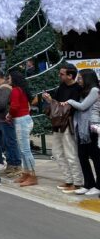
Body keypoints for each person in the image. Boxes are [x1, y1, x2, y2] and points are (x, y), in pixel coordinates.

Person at [42, 64, 84, 192]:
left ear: (70, 76)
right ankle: (68, 180)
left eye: (62, 74)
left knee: (71, 153)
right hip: (57, 124)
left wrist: (51, 101)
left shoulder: (77, 89)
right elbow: (58, 106)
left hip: (68, 123)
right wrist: (51, 101)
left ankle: (77, 182)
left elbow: (68, 108)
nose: (59, 76)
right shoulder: (61, 87)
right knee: (57, 153)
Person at [61, 69, 100, 196]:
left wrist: (70, 102)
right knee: (82, 156)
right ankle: (88, 184)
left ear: (87, 78)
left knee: (96, 158)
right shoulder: (84, 91)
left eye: (81, 78)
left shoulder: (95, 90)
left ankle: (98, 186)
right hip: (82, 128)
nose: (79, 80)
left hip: (92, 127)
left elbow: (83, 106)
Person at [6, 71, 37, 187]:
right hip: (25, 119)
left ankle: (32, 176)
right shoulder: (22, 89)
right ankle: (26, 173)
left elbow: (14, 107)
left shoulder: (15, 90)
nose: (7, 79)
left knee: (25, 150)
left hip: (21, 121)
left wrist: (9, 115)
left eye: (9, 77)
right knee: (23, 150)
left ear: (14, 79)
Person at [0, 70, 21, 178]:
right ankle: (11, 165)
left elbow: (1, 104)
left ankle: (16, 165)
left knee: (11, 142)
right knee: (7, 143)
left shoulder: (4, 88)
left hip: (6, 120)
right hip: (4, 119)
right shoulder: (3, 87)